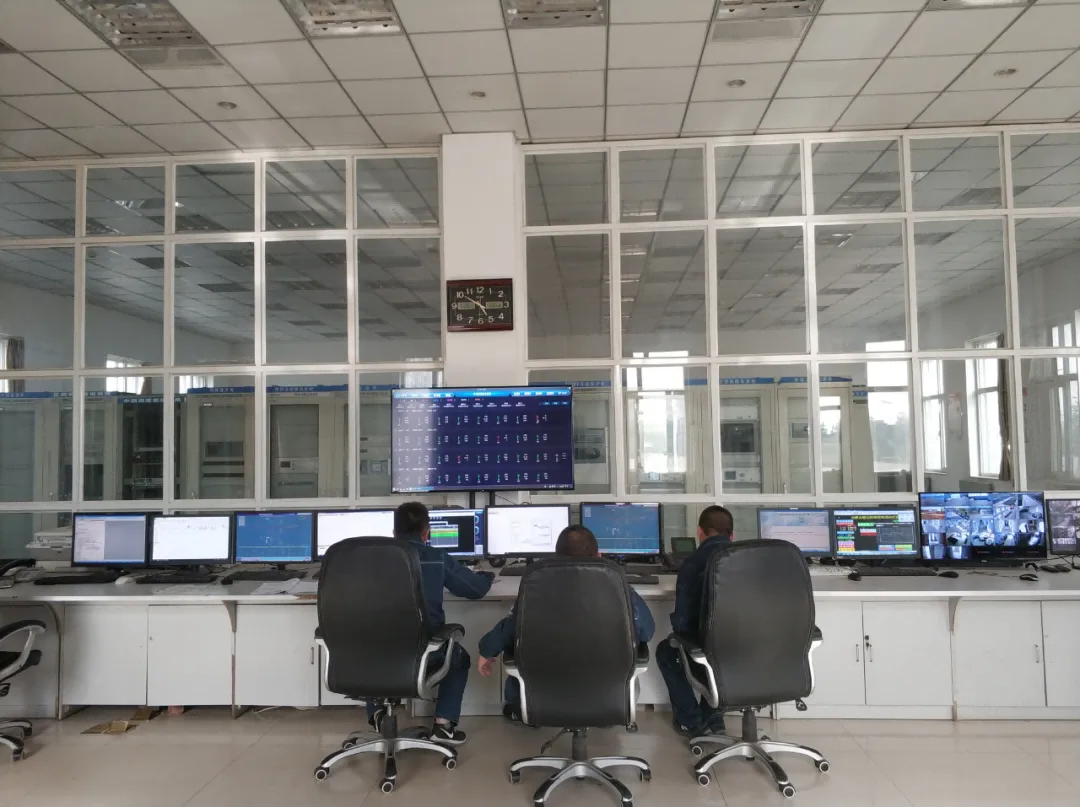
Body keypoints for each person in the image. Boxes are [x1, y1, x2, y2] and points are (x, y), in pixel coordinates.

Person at [476, 524, 655, 724]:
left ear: (557, 557)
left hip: (544, 695)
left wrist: (486, 650)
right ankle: (599, 715)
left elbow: (510, 628)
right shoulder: (618, 587)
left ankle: (526, 710)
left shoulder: (536, 586)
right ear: (598, 556)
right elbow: (646, 632)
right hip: (611, 696)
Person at [367, 501, 494, 746]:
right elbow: (475, 590)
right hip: (426, 653)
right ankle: (443, 725)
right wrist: (486, 575)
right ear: (426, 533)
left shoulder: (371, 560)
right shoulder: (437, 558)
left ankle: (378, 714)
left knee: (375, 645)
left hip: (375, 653)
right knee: (459, 657)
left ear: (393, 533)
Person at [655, 505, 734, 737]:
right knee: (719, 651)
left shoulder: (693, 563)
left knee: (668, 651)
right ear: (732, 535)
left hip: (710, 653)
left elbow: (681, 623)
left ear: (700, 533)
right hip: (750, 653)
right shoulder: (751, 561)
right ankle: (714, 717)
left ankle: (691, 721)